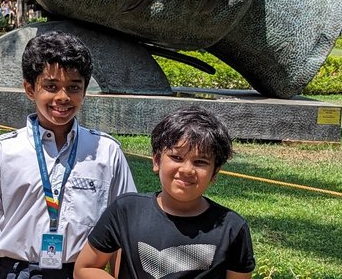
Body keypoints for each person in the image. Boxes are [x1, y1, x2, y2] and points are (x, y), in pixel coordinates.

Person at [0, 31, 136, 279]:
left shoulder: (107, 153)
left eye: (73, 87)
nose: (62, 97)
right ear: (30, 89)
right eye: (51, 86)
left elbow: (121, 239)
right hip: (16, 271)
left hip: (81, 272)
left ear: (85, 91)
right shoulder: (1, 153)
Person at [75, 106, 255, 279]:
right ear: (156, 161)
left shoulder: (232, 228)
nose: (187, 170)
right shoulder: (127, 210)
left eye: (200, 162)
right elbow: (85, 268)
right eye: (176, 157)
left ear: (215, 172)